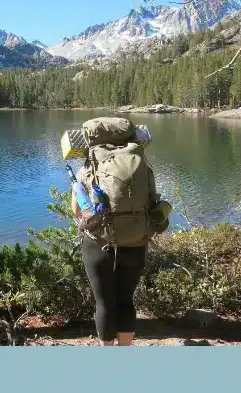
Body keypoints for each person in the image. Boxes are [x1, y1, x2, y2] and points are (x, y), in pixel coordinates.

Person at [70, 119, 169, 346]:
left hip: (99, 242)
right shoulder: (141, 165)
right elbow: (153, 201)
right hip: (136, 240)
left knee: (104, 303)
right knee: (126, 301)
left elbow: (77, 210)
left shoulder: (87, 168)